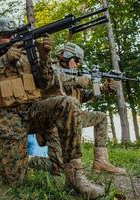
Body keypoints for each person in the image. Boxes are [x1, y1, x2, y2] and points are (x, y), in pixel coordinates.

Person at [0, 17, 104, 199]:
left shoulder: (29, 53)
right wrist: (5, 59)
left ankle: (75, 176)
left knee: (68, 103)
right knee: (15, 182)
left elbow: (46, 83)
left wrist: (44, 58)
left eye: (13, 34)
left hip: (35, 111)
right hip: (8, 118)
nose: (12, 38)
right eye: (6, 36)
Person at [32, 42, 126, 175]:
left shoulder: (74, 76)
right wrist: (81, 80)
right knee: (58, 168)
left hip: (71, 119)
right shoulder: (49, 69)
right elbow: (56, 80)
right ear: (65, 58)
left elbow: (82, 97)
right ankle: (28, 160)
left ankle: (101, 161)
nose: (77, 64)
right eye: (75, 60)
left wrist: (103, 88)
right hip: (53, 125)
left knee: (101, 117)